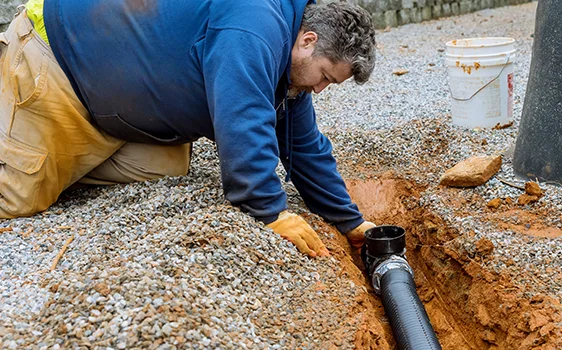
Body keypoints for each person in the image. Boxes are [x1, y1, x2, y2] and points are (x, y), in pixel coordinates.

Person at [0, 0, 378, 257]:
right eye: (325, 76)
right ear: (308, 41)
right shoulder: (255, 28)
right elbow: (243, 116)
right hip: (59, 66)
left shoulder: (288, 62)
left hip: (110, 103)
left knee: (163, 168)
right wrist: (270, 212)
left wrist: (350, 220)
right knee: (18, 198)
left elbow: (304, 144)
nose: (320, 89)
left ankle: (58, 157)